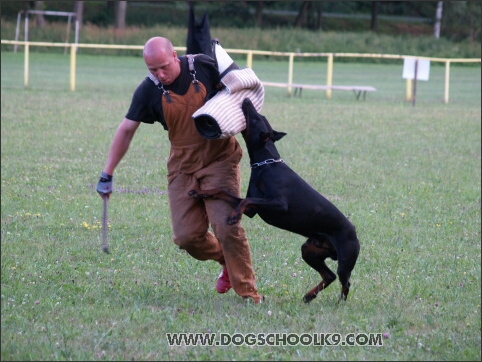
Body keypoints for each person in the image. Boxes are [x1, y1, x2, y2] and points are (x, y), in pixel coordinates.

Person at [96, 36, 263, 303]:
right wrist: (107, 173)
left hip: (220, 157)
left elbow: (239, 100)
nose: (160, 74)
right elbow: (127, 129)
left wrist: (261, 152)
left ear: (175, 56)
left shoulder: (205, 67)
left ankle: (249, 294)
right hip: (182, 166)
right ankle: (227, 262)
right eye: (153, 70)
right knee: (187, 238)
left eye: (164, 66)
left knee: (226, 227)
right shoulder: (148, 91)